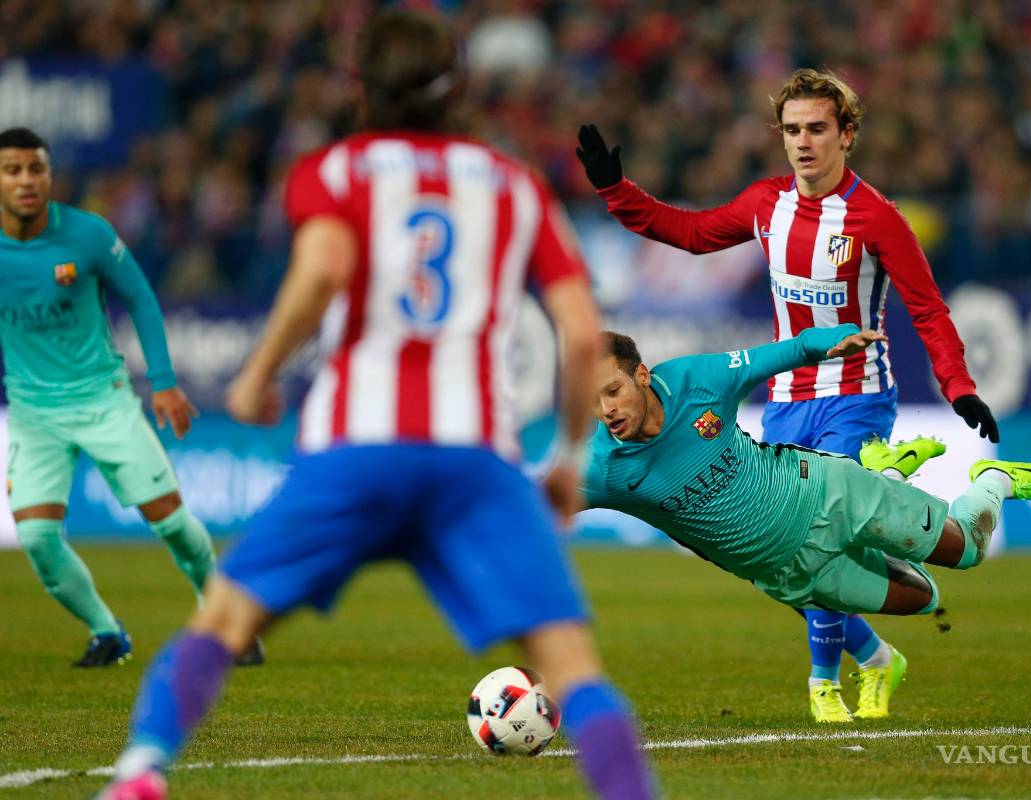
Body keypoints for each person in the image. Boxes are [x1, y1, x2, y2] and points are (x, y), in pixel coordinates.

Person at [98, 10, 657, 800]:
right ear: (457, 86)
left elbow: (323, 267)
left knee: (222, 624)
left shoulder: (335, 172)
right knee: (570, 664)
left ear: (361, 85)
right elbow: (575, 332)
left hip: (355, 446)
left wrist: (258, 373)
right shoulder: (516, 187)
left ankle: (141, 771)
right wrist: (567, 458)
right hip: (473, 458)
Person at [576, 68, 1001, 722]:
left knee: (820, 533)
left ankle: (824, 684)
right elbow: (689, 234)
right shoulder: (766, 204)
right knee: (782, 546)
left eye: (817, 129)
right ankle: (877, 658)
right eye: (793, 130)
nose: (803, 142)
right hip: (785, 399)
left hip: (855, 394)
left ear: (847, 134)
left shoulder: (877, 219)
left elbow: (929, 310)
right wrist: (616, 190)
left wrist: (958, 386)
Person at [584, 328, 1031, 719]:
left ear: (642, 376)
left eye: (613, 391)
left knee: (966, 551)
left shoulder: (695, 380)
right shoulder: (602, 468)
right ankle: (889, 471)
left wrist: (830, 340)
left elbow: (782, 352)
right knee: (926, 600)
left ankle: (990, 481)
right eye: (594, 400)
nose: (607, 410)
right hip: (793, 574)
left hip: (826, 493)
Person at [0, 127, 227, 668]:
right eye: (13, 171)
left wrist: (165, 381)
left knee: (171, 521)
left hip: (104, 401)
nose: (27, 180)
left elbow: (141, 297)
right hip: (33, 415)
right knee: (35, 537)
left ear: (50, 175)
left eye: (36, 169)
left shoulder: (88, 235)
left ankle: (220, 614)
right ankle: (107, 631)